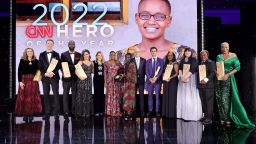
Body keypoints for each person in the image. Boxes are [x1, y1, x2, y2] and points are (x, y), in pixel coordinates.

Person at [215, 42, 255, 128]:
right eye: (223, 47)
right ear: (221, 48)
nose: (224, 49)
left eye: (226, 47)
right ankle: (222, 117)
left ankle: (228, 118)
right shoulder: (219, 56)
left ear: (228, 48)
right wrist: (217, 74)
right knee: (219, 97)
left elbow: (238, 67)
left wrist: (228, 74)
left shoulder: (233, 55)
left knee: (225, 98)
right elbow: (218, 67)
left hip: (229, 78)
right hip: (219, 79)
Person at [15, 48, 42, 122]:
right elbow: (19, 71)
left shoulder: (36, 61)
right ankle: (25, 115)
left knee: (32, 98)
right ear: (26, 53)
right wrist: (20, 81)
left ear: (33, 52)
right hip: (24, 80)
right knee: (24, 98)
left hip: (33, 81)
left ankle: (31, 114)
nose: (29, 52)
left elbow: (39, 71)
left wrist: (38, 78)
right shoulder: (22, 60)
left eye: (31, 51)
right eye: (28, 51)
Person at [176, 48, 202, 121]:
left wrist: (186, 77)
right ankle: (183, 115)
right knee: (183, 96)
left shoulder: (193, 59)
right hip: (182, 79)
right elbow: (180, 69)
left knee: (190, 95)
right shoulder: (182, 60)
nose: (187, 52)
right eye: (186, 51)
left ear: (191, 52)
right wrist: (181, 77)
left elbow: (192, 69)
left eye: (189, 51)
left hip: (191, 79)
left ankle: (190, 116)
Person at [39, 39, 60, 121]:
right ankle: (47, 113)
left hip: (54, 77)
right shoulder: (41, 54)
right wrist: (46, 73)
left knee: (56, 95)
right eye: (48, 43)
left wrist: (52, 72)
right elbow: (40, 67)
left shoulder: (56, 54)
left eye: (51, 43)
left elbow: (58, 66)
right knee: (46, 95)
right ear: (46, 44)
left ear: (53, 45)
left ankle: (56, 113)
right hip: (45, 78)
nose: (49, 45)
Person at [60, 40, 81, 120]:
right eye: (70, 44)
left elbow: (79, 66)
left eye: (73, 44)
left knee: (74, 95)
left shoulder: (79, 54)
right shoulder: (63, 54)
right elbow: (61, 66)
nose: (72, 45)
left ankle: (74, 111)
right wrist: (64, 73)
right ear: (68, 45)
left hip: (75, 78)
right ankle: (66, 112)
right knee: (65, 95)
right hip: (66, 78)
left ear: (75, 45)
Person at [73, 49, 94, 117]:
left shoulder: (92, 62)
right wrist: (80, 76)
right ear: (83, 55)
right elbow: (76, 71)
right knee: (81, 94)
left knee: (88, 94)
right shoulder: (80, 62)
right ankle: (81, 112)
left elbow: (93, 72)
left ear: (89, 55)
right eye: (84, 54)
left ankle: (87, 112)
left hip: (89, 80)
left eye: (87, 54)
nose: (86, 55)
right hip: (82, 79)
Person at [197, 50, 216, 124]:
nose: (203, 56)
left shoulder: (211, 62)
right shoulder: (200, 63)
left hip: (208, 86)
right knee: (203, 102)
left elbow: (212, 73)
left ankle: (209, 118)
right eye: (201, 55)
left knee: (209, 102)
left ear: (207, 55)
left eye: (204, 55)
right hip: (201, 86)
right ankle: (205, 116)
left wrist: (205, 79)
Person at [146, 47, 164, 117]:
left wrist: (156, 78)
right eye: (152, 51)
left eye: (154, 51)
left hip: (157, 81)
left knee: (157, 96)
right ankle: (150, 111)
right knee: (150, 96)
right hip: (150, 81)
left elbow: (161, 70)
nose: (153, 52)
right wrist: (150, 78)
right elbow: (146, 71)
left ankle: (157, 111)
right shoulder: (148, 61)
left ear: (156, 52)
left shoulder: (161, 61)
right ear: (150, 52)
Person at [104, 51, 123, 117]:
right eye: (111, 54)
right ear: (109, 55)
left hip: (117, 82)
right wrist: (105, 82)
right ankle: (109, 111)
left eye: (113, 55)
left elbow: (122, 71)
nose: (112, 56)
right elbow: (105, 73)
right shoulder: (106, 63)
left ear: (115, 55)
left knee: (116, 96)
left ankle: (116, 111)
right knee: (110, 95)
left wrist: (120, 76)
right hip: (109, 81)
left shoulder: (118, 63)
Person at [162, 51, 178, 118]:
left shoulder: (175, 63)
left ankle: (171, 114)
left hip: (172, 82)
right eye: (168, 55)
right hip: (166, 82)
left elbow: (177, 73)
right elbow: (164, 72)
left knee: (171, 97)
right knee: (166, 96)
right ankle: (166, 113)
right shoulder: (166, 64)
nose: (170, 56)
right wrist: (163, 75)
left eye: (171, 55)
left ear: (173, 56)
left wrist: (170, 77)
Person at [131, 48, 146, 117]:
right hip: (133, 81)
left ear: (140, 52)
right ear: (134, 53)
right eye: (136, 52)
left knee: (141, 96)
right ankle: (133, 110)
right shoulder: (131, 60)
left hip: (141, 81)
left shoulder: (144, 60)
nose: (137, 52)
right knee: (133, 97)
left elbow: (145, 71)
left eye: (138, 51)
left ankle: (142, 111)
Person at [122, 53, 137, 120]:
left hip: (131, 84)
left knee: (130, 98)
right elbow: (123, 74)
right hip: (125, 84)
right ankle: (126, 112)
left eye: (128, 57)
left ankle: (130, 113)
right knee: (125, 98)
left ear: (131, 58)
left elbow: (134, 75)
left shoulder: (133, 65)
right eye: (126, 57)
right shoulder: (124, 65)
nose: (127, 58)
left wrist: (126, 76)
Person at [93, 51, 105, 116]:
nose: (99, 56)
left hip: (102, 81)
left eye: (100, 55)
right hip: (96, 81)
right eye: (98, 55)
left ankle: (101, 111)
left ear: (102, 56)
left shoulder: (104, 63)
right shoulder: (93, 62)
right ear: (96, 56)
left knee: (101, 95)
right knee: (96, 95)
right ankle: (96, 111)